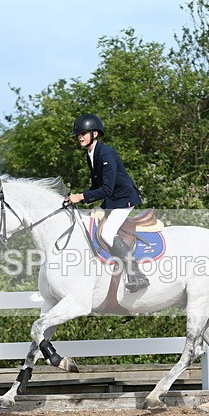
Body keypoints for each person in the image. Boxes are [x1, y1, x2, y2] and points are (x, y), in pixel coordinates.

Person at [64, 113, 150, 292]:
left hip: (123, 198)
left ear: (94, 134)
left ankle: (136, 274)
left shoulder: (106, 153)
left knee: (107, 233)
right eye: (78, 134)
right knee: (91, 223)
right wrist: (81, 200)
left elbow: (107, 189)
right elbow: (96, 186)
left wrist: (81, 196)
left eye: (83, 133)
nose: (80, 137)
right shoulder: (91, 154)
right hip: (112, 199)